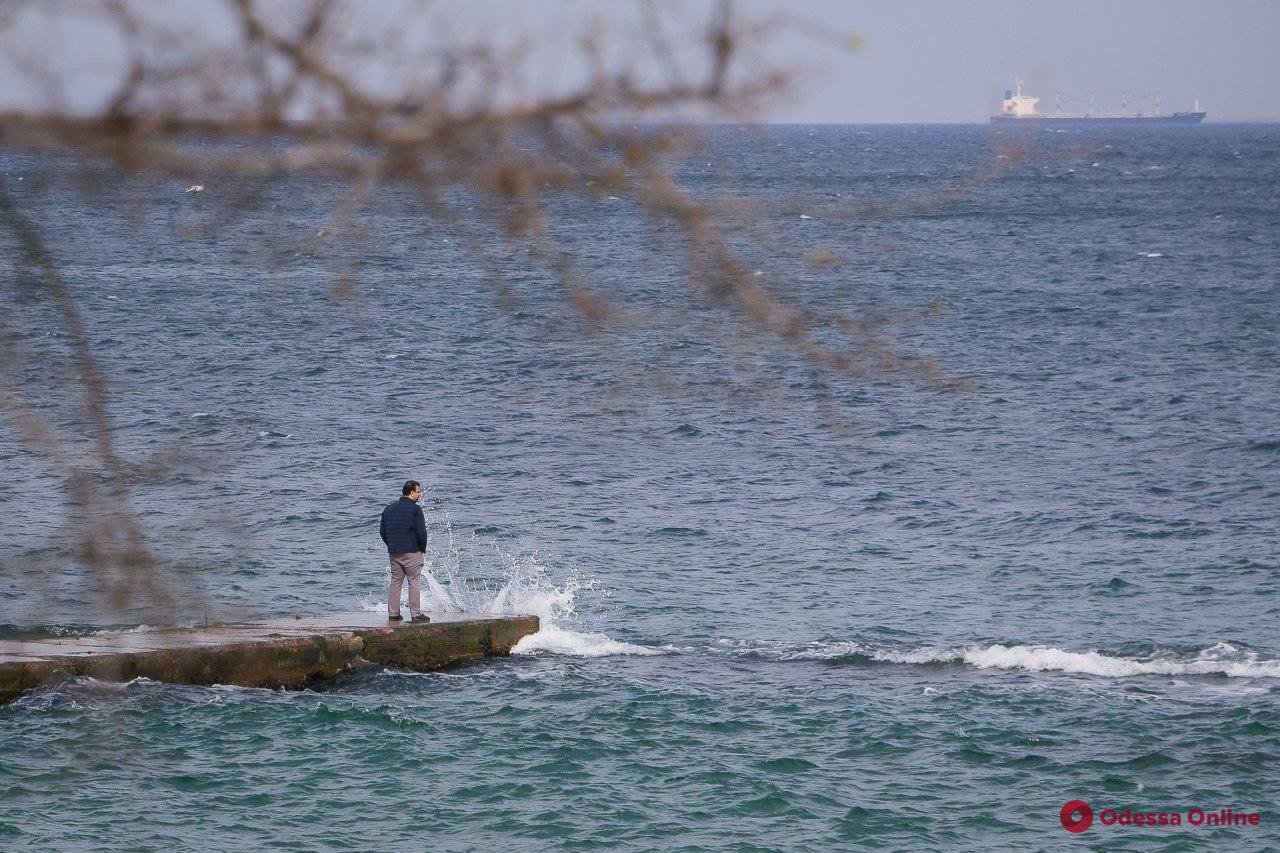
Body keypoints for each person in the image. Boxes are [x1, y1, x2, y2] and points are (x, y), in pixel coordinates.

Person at [378, 480, 430, 623]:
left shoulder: (389, 508)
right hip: (412, 551)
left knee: (395, 582)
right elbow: (422, 533)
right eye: (419, 492)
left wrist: (391, 545)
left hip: (394, 552)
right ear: (412, 492)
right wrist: (422, 549)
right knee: (414, 581)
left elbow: (382, 531)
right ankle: (416, 614)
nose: (420, 494)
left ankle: (393, 614)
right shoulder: (416, 510)